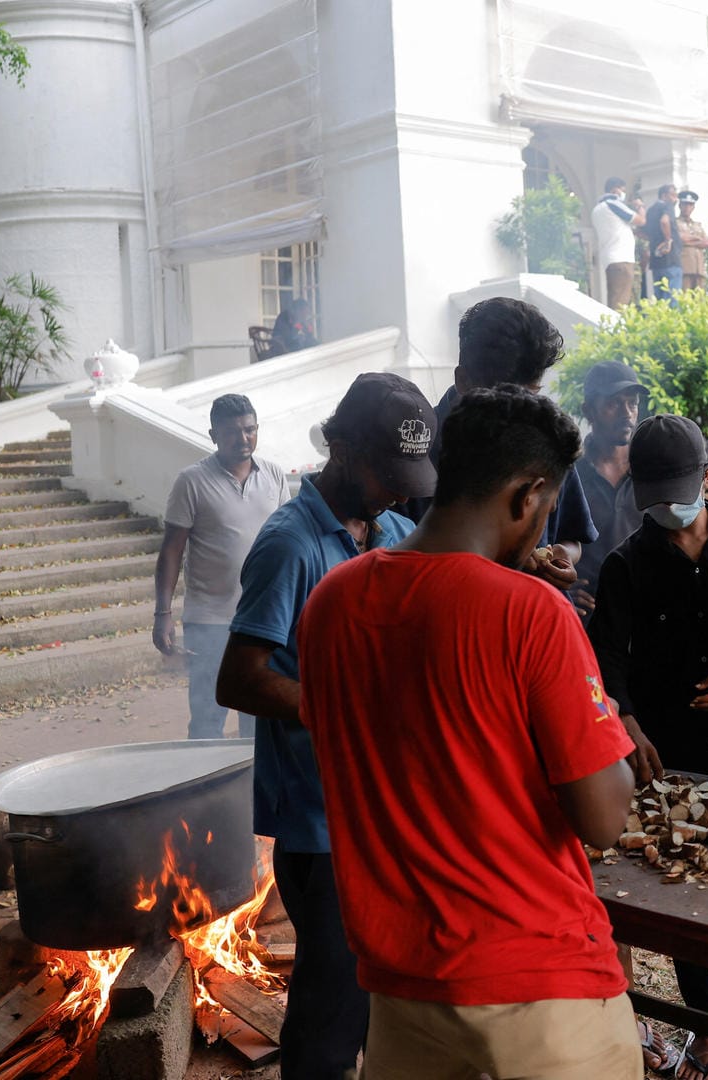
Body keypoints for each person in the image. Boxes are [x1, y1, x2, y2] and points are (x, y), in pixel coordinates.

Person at [297, 386, 640, 1080]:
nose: (542, 533)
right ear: (526, 495)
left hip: (401, 996)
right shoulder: (535, 614)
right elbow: (604, 818)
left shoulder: (331, 603)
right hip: (542, 993)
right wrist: (613, 730)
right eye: (543, 514)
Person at [215, 374, 439, 1078]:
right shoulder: (291, 544)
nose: (401, 493)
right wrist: (336, 706)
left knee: (386, 989)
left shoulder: (398, 530)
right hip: (322, 822)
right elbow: (238, 678)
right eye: (387, 474)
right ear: (339, 449)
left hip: (390, 809)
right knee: (330, 1005)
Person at [586, 414, 708, 1080]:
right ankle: (706, 1033)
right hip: (665, 756)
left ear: (706, 478)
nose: (668, 511)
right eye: (653, 499)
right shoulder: (628, 565)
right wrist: (625, 718)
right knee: (685, 898)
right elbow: (605, 662)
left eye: (677, 496)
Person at [406, 297, 597, 590]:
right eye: (503, 394)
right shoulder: (418, 446)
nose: (520, 412)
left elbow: (571, 535)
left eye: (530, 393)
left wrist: (562, 558)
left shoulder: (546, 437)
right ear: (464, 379)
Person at [155, 393, 289, 739]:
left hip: (264, 618)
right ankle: (201, 788)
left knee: (257, 716)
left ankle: (249, 790)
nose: (242, 439)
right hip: (210, 619)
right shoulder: (191, 481)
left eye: (249, 430)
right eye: (231, 432)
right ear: (213, 435)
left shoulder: (273, 475)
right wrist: (162, 614)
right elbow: (171, 550)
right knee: (207, 715)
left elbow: (289, 542)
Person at [570, 361, 646, 623]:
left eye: (632, 403)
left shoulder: (650, 470)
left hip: (645, 612)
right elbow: (549, 544)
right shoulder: (570, 474)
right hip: (590, 617)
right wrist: (563, 588)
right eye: (614, 403)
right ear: (588, 410)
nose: (627, 413)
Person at [592, 177, 645, 310]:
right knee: (621, 302)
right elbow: (640, 220)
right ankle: (617, 330)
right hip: (622, 259)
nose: (623, 193)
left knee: (616, 297)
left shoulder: (597, 209)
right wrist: (640, 206)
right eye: (623, 190)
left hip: (611, 259)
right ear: (615, 189)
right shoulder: (612, 203)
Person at [644, 184, 682, 304]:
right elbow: (664, 221)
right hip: (670, 259)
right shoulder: (667, 206)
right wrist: (667, 240)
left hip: (656, 261)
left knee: (660, 299)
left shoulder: (650, 210)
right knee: (672, 298)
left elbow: (642, 232)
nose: (675, 199)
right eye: (673, 195)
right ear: (664, 196)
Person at [676, 191, 708, 291]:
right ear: (680, 205)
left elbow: (707, 243)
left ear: (693, 207)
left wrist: (689, 242)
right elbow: (679, 239)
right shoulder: (675, 223)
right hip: (684, 267)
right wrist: (698, 241)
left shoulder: (697, 225)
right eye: (685, 204)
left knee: (699, 299)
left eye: (690, 205)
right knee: (684, 298)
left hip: (699, 268)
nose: (687, 207)